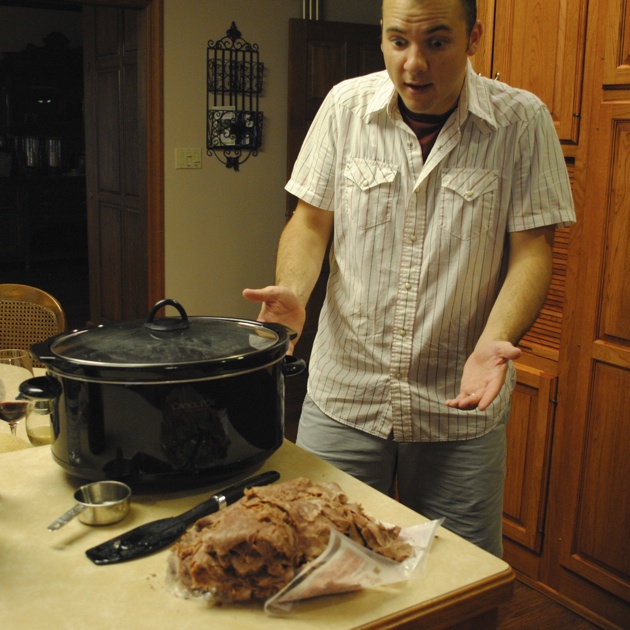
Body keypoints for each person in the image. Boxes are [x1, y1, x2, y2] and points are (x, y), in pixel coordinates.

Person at [243, 0, 575, 557]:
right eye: (398, 41)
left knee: (458, 583)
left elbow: (533, 251)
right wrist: (296, 292)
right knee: (322, 568)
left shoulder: (522, 121)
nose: (414, 64)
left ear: (473, 39)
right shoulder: (346, 106)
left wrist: (498, 339)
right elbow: (310, 219)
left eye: (436, 42)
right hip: (344, 397)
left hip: (458, 409)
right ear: (381, 37)